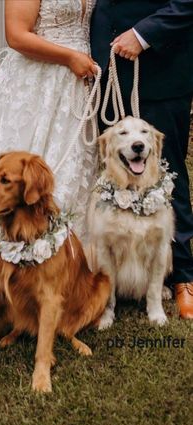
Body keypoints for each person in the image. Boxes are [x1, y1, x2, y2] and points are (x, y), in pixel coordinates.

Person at [0, 0, 98, 329]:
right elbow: (17, 36)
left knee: (72, 171)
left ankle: (61, 272)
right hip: (37, 85)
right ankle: (9, 269)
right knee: (22, 176)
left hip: (75, 87)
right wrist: (70, 57)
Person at [90, 0, 193, 319]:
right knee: (110, 175)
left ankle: (183, 277)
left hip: (160, 67)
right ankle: (110, 276)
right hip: (103, 71)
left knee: (167, 173)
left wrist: (143, 33)